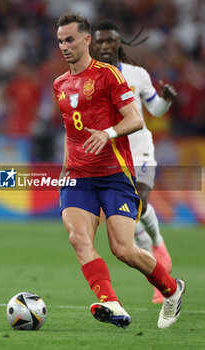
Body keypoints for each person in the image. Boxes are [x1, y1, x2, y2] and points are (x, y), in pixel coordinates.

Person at [53, 13, 185, 329]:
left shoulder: (109, 76)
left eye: (70, 39)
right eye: (60, 41)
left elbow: (135, 119)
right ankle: (111, 302)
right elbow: (71, 133)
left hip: (115, 174)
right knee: (78, 237)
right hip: (79, 175)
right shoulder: (60, 84)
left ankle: (172, 289)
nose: (64, 46)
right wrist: (63, 169)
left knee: (123, 249)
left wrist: (109, 133)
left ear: (87, 40)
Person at [93, 19, 177, 304]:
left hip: (139, 150)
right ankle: (157, 269)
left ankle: (158, 246)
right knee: (128, 216)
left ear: (119, 42)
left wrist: (165, 100)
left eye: (110, 40)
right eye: (100, 41)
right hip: (110, 156)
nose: (105, 46)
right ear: (93, 45)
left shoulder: (137, 74)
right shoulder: (88, 76)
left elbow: (155, 108)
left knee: (139, 202)